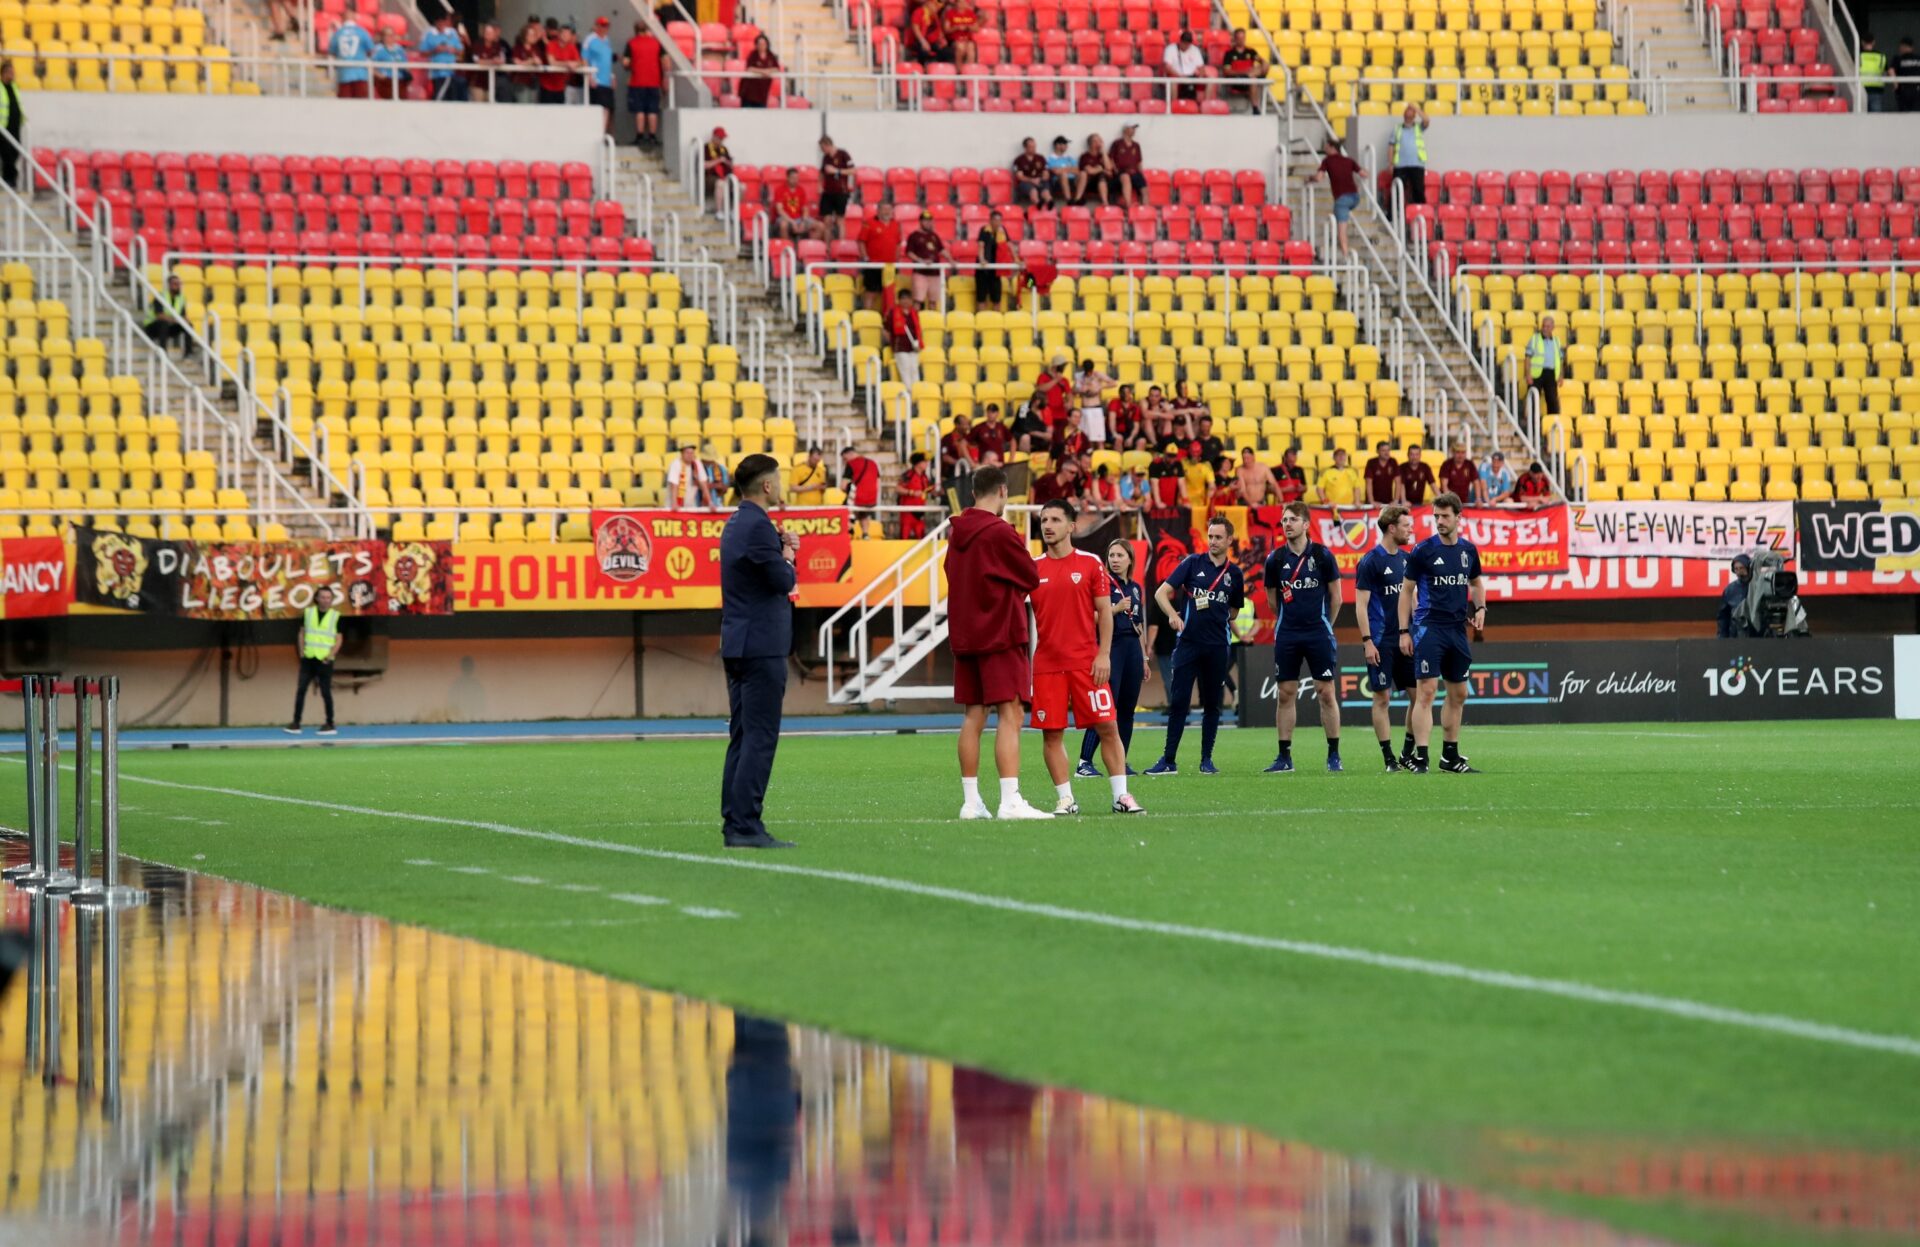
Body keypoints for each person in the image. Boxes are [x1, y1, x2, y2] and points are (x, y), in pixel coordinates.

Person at [944, 465, 1050, 820]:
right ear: (1003, 491)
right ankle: (1010, 800)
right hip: (1000, 633)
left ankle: (971, 802)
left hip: (966, 636)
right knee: (1011, 713)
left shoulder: (957, 532)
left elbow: (953, 574)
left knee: (973, 716)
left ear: (974, 493)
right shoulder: (1001, 531)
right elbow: (1031, 575)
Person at [1029, 502, 1146, 814]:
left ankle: (1121, 796)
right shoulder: (1032, 568)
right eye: (1044, 519)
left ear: (1072, 526)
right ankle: (1066, 799)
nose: (1048, 525)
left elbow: (1105, 612)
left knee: (1108, 726)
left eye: (1056, 519)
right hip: (1047, 666)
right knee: (1052, 734)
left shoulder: (1091, 564)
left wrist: (1103, 654)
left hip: (1087, 663)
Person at [718, 454, 800, 849]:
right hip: (761, 646)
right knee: (760, 737)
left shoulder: (736, 523)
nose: (781, 485)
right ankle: (746, 824)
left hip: (739, 642)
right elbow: (782, 580)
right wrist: (789, 555)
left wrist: (780, 549)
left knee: (742, 736)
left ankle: (735, 821)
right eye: (778, 479)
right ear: (767, 485)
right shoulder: (758, 526)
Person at [1143, 514, 1246, 776]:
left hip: (1217, 646)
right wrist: (1173, 615)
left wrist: (1215, 611)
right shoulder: (1192, 563)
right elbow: (1160, 593)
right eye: (1210, 536)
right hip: (1188, 644)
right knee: (1179, 702)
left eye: (1218, 537)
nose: (1213, 541)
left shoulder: (1235, 574)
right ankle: (1168, 760)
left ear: (1229, 540)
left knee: (1212, 704)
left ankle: (1206, 760)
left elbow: (1234, 611)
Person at [1398, 491, 1484, 775]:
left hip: (1457, 630)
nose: (1439, 521)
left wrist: (1480, 608)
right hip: (1429, 628)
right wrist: (1404, 631)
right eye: (1436, 516)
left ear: (1459, 517)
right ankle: (1421, 757)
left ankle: (1450, 756)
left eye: (1445, 516)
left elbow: (1476, 583)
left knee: (1459, 693)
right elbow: (1406, 591)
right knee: (1426, 691)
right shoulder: (1423, 550)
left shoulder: (1468, 550)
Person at [1261, 501, 1343, 774]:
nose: (1287, 524)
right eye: (1284, 520)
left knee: (1326, 693)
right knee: (1285, 694)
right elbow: (1272, 601)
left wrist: (1325, 625)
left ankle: (1334, 754)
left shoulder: (1322, 555)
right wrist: (1290, 620)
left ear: (1306, 524)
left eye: (1293, 519)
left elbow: (1337, 597)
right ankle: (1284, 757)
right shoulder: (1275, 559)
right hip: (1288, 634)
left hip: (1318, 632)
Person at [1077, 538, 1147, 778]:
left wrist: (1144, 658)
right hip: (1111, 646)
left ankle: (1120, 762)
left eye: (1120, 556)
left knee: (1127, 709)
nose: (1115, 560)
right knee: (1105, 707)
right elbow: (1088, 616)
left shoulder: (1136, 588)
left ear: (1130, 560)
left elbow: (1139, 625)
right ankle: (1084, 762)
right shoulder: (1102, 582)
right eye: (1112, 555)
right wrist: (1115, 609)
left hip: (1132, 648)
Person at [1354, 504, 1416, 771]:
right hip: (1380, 641)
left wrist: (1416, 630)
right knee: (1382, 699)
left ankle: (1407, 753)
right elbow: (1360, 605)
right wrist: (1367, 641)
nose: (1410, 530)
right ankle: (1389, 758)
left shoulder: (1407, 560)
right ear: (1392, 528)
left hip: (1406, 639)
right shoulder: (1371, 561)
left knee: (1419, 696)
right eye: (1406, 526)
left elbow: (1413, 598)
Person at [279, 581, 343, 735]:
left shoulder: (336, 616)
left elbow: (339, 639)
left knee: (326, 692)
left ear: (331, 600)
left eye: (328, 597)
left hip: (325, 660)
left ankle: (330, 723)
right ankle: (296, 723)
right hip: (308, 658)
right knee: (301, 690)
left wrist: (331, 655)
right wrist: (301, 652)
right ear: (317, 598)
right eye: (323, 597)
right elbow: (301, 633)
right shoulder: (308, 613)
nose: (325, 600)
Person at [1315, 137, 1362, 255]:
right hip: (1355, 197)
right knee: (1342, 215)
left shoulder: (1327, 161)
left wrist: (1309, 179)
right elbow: (1363, 173)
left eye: (1326, 147)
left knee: (1342, 230)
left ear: (1332, 148)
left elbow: (1319, 178)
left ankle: (1345, 254)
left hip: (1342, 199)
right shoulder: (1348, 160)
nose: (1324, 149)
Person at [623, 20, 663, 144]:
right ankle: (652, 137)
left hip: (637, 81)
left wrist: (630, 66)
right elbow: (666, 62)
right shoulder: (656, 43)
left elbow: (625, 62)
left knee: (639, 110)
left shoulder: (631, 43)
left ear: (635, 30)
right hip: (654, 81)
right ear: (646, 30)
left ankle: (640, 137)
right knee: (653, 110)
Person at [858, 200, 901, 310]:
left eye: (889, 209)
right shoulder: (869, 223)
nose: (887, 212)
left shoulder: (896, 224)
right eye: (884, 209)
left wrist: (896, 260)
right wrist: (865, 258)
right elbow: (861, 241)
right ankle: (866, 317)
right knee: (871, 292)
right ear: (878, 211)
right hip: (873, 264)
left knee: (888, 293)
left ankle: (887, 318)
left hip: (890, 266)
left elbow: (898, 244)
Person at [417, 12, 469, 100]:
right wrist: (435, 50)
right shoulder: (430, 34)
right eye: (439, 22)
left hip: (451, 72)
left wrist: (453, 50)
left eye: (443, 21)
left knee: (451, 98)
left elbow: (461, 51)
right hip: (437, 73)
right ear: (436, 22)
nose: (441, 24)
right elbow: (422, 53)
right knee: (439, 96)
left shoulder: (452, 33)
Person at [1389, 104, 1430, 208]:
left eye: (1411, 114)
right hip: (1400, 165)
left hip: (1417, 164)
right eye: (1407, 113)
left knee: (1418, 190)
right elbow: (1391, 146)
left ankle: (1420, 210)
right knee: (1396, 191)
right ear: (1404, 115)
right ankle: (1393, 213)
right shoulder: (1397, 129)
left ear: (1414, 116)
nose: (1408, 115)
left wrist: (1416, 108)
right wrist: (1390, 163)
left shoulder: (1419, 127)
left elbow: (1426, 120)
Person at [142, 274, 192, 355]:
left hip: (170, 325)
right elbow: (159, 316)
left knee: (188, 325)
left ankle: (188, 354)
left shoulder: (181, 298)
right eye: (175, 283)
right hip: (152, 326)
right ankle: (163, 353)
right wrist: (175, 320)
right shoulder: (160, 296)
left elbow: (183, 315)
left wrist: (185, 320)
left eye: (179, 283)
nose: (177, 286)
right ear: (169, 285)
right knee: (163, 323)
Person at [1526, 314, 1564, 419]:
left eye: (1548, 326)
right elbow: (1527, 358)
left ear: (1553, 327)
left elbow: (1560, 359)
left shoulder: (1557, 341)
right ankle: (1532, 425)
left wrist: (1561, 375)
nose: (1545, 328)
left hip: (1551, 374)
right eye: (1543, 326)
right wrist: (1528, 374)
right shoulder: (1534, 339)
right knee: (1533, 400)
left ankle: (1552, 423)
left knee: (1552, 400)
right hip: (1536, 374)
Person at [1218, 29, 1267, 112]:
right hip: (1237, 80)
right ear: (1234, 39)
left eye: (1243, 38)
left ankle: (1255, 108)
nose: (1241, 40)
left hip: (1250, 78)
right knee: (1253, 79)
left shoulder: (1251, 52)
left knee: (1263, 67)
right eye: (1239, 38)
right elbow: (1227, 71)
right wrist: (1244, 72)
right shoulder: (1229, 53)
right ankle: (1255, 108)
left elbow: (1262, 61)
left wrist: (1263, 63)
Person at [904, 216, 947, 306]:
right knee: (917, 300)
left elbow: (942, 250)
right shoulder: (914, 236)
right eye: (925, 221)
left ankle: (932, 316)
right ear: (920, 222)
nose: (928, 223)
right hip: (920, 273)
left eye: (930, 221)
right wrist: (921, 261)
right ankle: (916, 315)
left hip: (934, 273)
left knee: (933, 301)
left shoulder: (934, 236)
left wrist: (951, 260)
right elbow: (909, 252)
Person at [771, 168, 823, 242]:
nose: (795, 180)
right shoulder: (779, 190)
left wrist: (804, 221)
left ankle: (806, 246)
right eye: (793, 178)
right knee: (783, 225)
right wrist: (792, 222)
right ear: (787, 178)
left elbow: (805, 209)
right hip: (785, 218)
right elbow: (780, 210)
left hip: (799, 218)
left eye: (797, 178)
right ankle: (788, 247)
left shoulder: (801, 190)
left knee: (820, 226)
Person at [581, 15, 615, 128]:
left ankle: (602, 132)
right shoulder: (590, 39)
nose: (604, 28)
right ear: (596, 26)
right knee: (598, 108)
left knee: (607, 107)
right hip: (597, 79)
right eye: (602, 26)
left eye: (606, 26)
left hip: (606, 81)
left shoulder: (607, 40)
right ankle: (596, 130)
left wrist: (612, 76)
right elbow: (585, 59)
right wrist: (590, 76)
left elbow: (607, 61)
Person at [841, 446, 882, 537]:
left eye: (845, 459)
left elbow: (843, 486)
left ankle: (848, 532)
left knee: (846, 511)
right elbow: (878, 482)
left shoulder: (852, 464)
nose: (844, 462)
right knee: (864, 514)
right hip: (872, 499)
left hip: (857, 498)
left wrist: (849, 490)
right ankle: (865, 534)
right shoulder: (873, 463)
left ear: (850, 454)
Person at [329, 15, 374, 98]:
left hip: (343, 74)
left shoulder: (338, 33)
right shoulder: (362, 32)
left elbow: (332, 52)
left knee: (344, 103)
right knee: (361, 102)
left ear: (343, 19)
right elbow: (371, 50)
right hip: (360, 74)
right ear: (355, 18)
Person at [817, 136, 853, 240]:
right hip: (828, 192)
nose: (822, 150)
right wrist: (819, 185)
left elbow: (853, 170)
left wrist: (836, 171)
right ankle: (827, 246)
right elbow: (822, 172)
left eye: (822, 148)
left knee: (839, 220)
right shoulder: (826, 157)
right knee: (827, 221)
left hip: (841, 192)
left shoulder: (843, 154)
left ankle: (841, 245)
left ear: (828, 145)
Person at [888, 290, 924, 393]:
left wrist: (918, 343)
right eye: (903, 298)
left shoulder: (914, 313)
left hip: (913, 347)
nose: (906, 301)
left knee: (914, 370)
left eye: (908, 298)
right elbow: (887, 329)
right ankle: (908, 394)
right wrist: (893, 343)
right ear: (899, 300)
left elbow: (917, 330)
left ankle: (916, 393)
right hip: (900, 347)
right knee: (905, 369)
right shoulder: (893, 313)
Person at [975, 210, 1011, 310]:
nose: (998, 223)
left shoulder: (1002, 230)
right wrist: (982, 259)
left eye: (1000, 220)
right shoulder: (984, 230)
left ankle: (996, 319)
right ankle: (981, 319)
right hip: (983, 269)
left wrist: (1016, 259)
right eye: (995, 220)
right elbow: (981, 246)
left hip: (996, 269)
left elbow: (1009, 245)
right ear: (990, 220)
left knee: (997, 298)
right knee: (981, 297)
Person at [1073, 358, 1115, 443]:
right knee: (1085, 440)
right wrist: (1080, 390)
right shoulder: (1079, 377)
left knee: (1099, 439)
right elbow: (1073, 390)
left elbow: (1113, 383)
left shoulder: (1097, 375)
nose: (1088, 373)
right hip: (1084, 408)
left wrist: (1100, 387)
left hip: (1095, 408)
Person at [539, 22, 581, 103]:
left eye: (568, 34)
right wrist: (568, 64)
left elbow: (579, 61)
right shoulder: (551, 44)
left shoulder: (571, 47)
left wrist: (575, 64)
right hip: (547, 86)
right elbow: (552, 62)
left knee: (560, 109)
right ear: (559, 34)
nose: (565, 36)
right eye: (564, 33)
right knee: (546, 110)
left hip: (561, 87)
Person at [666, 442, 717, 508]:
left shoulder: (697, 463)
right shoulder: (675, 464)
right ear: (682, 454)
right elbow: (674, 485)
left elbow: (704, 483)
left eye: (692, 453)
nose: (690, 455)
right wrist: (674, 503)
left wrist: (710, 502)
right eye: (687, 453)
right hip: (674, 506)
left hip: (691, 505)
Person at [1107, 123, 1147, 208]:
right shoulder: (1117, 143)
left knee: (1144, 185)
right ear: (1125, 130)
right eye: (1132, 128)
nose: (1134, 130)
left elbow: (1139, 161)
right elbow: (1111, 159)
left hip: (1134, 172)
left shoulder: (1136, 145)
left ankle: (1145, 208)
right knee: (1125, 177)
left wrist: (1141, 174)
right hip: (1120, 173)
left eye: (1134, 129)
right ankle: (1128, 206)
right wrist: (1115, 170)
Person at [1716, 552, 1755, 638]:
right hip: (1736, 635)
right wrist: (1721, 638)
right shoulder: (1730, 589)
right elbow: (1723, 617)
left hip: (1757, 636)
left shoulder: (1758, 587)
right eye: (1736, 569)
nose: (1739, 571)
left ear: (1749, 568)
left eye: (1741, 568)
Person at [1162, 29, 1205, 102]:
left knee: (1209, 80)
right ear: (1180, 41)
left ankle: (1204, 106)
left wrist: (1200, 76)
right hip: (1176, 75)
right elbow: (1167, 68)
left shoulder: (1195, 50)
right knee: (1173, 81)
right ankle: (1173, 105)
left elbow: (1201, 67)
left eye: (1188, 43)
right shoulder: (1170, 49)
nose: (1186, 45)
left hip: (1192, 76)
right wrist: (1180, 76)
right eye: (1184, 43)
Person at [1074, 134, 1116, 207]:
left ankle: (1105, 203)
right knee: (1084, 174)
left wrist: (1103, 152)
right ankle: (1077, 200)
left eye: (1100, 140)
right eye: (1096, 141)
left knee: (1101, 176)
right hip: (1089, 183)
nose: (1099, 142)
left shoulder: (1105, 156)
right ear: (1091, 143)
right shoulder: (1085, 156)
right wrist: (1102, 169)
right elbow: (1090, 171)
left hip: (1105, 183)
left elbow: (1109, 168)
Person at [898, 452, 933, 539]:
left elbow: (929, 490)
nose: (927, 464)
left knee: (921, 537)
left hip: (920, 512)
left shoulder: (925, 477)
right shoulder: (908, 475)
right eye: (924, 461)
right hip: (908, 512)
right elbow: (898, 489)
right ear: (918, 463)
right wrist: (912, 493)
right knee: (904, 536)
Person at [739, 33, 781, 107]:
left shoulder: (771, 55)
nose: (762, 45)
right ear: (756, 45)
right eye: (759, 44)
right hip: (749, 92)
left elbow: (776, 68)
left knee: (761, 111)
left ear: (767, 44)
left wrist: (768, 71)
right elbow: (749, 68)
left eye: (764, 43)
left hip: (763, 92)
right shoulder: (753, 55)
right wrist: (763, 72)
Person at [469, 22, 508, 100]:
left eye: (490, 33)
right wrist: (491, 61)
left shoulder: (497, 46)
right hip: (477, 83)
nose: (488, 35)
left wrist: (497, 61)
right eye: (487, 32)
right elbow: (477, 60)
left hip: (491, 83)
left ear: (494, 34)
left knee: (490, 104)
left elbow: (502, 60)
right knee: (479, 104)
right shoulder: (477, 44)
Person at [1012, 137, 1052, 208]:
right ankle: (1038, 204)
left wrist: (1041, 178)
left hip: (1040, 180)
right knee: (1033, 191)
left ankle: (1050, 203)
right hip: (1026, 182)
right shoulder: (1019, 160)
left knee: (1046, 192)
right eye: (1031, 147)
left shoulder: (1041, 158)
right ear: (1025, 148)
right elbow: (1020, 177)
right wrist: (1032, 180)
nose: (1034, 149)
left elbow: (1046, 173)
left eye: (1034, 146)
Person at [370, 28, 409, 99]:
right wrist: (380, 76)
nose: (391, 37)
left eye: (392, 35)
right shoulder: (378, 49)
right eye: (388, 35)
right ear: (383, 37)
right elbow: (371, 66)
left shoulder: (399, 49)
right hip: (386, 81)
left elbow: (405, 65)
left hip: (400, 80)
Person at [0, 62, 19, 191]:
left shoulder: (14, 86)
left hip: (14, 125)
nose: (13, 75)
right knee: (7, 154)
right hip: (3, 127)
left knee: (15, 152)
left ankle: (11, 177)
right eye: (10, 72)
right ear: (4, 73)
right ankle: (9, 178)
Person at [943, 0, 980, 65]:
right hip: (954, 40)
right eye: (959, 2)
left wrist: (968, 27)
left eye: (963, 2)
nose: (961, 4)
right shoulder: (950, 13)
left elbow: (976, 29)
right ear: (956, 3)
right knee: (960, 47)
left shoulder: (970, 13)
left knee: (971, 47)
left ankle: (969, 68)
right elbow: (946, 29)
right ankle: (959, 69)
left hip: (967, 39)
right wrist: (956, 28)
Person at [1045, 135, 1078, 205]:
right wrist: (1069, 169)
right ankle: (1069, 200)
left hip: (1073, 181)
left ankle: (1078, 199)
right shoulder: (1050, 158)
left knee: (1083, 174)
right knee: (1063, 175)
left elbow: (1078, 170)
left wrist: (1063, 169)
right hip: (1058, 183)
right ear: (1057, 145)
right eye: (1064, 144)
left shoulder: (1069, 157)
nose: (1066, 146)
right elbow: (1056, 172)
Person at [703, 127, 733, 204]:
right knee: (720, 184)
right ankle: (719, 210)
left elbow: (731, 164)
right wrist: (719, 160)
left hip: (725, 176)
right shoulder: (705, 148)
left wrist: (726, 161)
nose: (721, 140)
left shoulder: (724, 149)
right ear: (714, 137)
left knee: (741, 186)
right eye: (720, 138)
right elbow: (704, 165)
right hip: (710, 177)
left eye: (722, 138)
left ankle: (734, 209)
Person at [1861, 33, 1888, 111]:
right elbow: (1885, 73)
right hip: (1877, 90)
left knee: (1861, 115)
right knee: (1876, 116)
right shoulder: (1881, 57)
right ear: (1873, 42)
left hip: (1861, 90)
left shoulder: (1858, 56)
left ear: (1862, 42)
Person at [1896, 36, 1920, 112]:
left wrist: (1896, 86)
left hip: (1905, 90)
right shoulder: (1918, 58)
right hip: (1915, 90)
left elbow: (1891, 71)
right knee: (1915, 113)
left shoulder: (1898, 59)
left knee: (1905, 113)